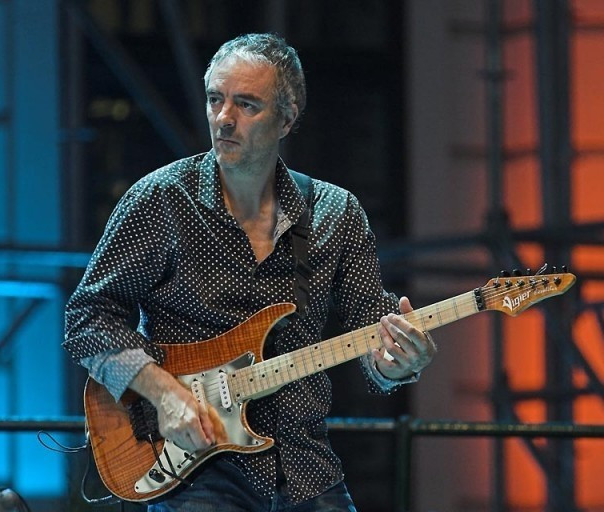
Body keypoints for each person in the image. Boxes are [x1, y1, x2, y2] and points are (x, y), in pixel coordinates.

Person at [64, 33, 437, 512]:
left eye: (246, 104)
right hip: (196, 469)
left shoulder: (336, 212)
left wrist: (395, 364)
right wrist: (164, 394)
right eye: (215, 100)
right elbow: (87, 318)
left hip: (304, 465)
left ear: (288, 117)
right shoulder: (160, 199)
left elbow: (373, 329)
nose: (224, 118)